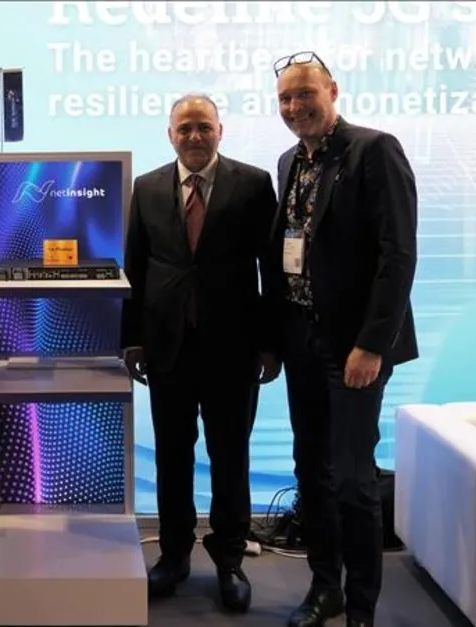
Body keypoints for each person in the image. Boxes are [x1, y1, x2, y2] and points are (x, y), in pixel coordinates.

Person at [269, 53, 419, 627]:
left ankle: (362, 608)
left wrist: (372, 345)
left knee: (354, 479)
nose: (294, 107)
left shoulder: (374, 150)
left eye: (304, 94)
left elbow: (397, 255)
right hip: (301, 339)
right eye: (285, 99)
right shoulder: (289, 161)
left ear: (332, 90)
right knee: (311, 469)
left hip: (354, 348)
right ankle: (324, 587)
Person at [120, 94, 283, 612]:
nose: (195, 136)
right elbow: (135, 265)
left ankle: (230, 559)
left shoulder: (253, 184)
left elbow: (272, 269)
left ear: (220, 131)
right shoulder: (146, 187)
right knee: (173, 457)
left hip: (234, 349)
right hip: (167, 347)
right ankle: (173, 556)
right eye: (185, 127)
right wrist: (132, 338)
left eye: (204, 127)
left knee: (230, 458)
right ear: (170, 134)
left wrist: (270, 342)